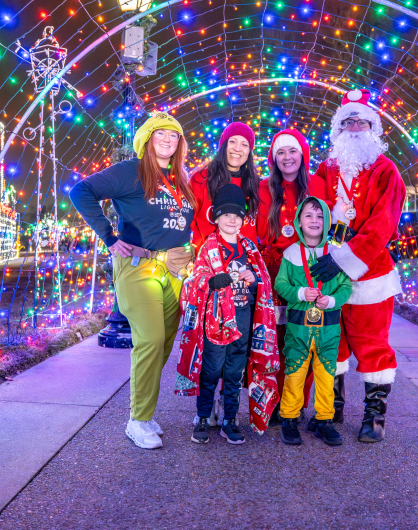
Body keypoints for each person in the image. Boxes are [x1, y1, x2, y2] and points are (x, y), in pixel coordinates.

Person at [69, 112, 197, 450]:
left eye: (174, 135)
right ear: (147, 138)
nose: (168, 140)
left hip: (175, 269)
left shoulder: (181, 178)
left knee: (164, 342)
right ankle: (136, 420)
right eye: (161, 134)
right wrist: (109, 237)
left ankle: (147, 412)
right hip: (138, 264)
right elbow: (81, 191)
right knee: (151, 340)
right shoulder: (131, 171)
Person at [310, 89, 407, 443]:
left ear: (373, 128)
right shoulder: (328, 167)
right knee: (331, 342)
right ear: (338, 129)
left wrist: (344, 259)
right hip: (329, 272)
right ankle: (331, 405)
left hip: (371, 274)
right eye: (347, 122)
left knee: (371, 344)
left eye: (360, 122)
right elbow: (311, 210)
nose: (354, 127)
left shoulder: (387, 171)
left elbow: (383, 225)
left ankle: (374, 416)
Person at [175, 184, 279, 443]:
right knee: (211, 370)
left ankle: (230, 419)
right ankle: (202, 417)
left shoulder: (250, 249)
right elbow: (195, 278)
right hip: (216, 320)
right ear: (216, 217)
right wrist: (212, 281)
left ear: (243, 219)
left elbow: (263, 282)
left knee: (235, 372)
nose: (232, 219)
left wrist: (253, 279)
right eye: (226, 214)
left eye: (237, 215)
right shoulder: (208, 247)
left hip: (243, 319)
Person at [257, 129, 329, 424]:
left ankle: (295, 402)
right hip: (273, 273)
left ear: (303, 154)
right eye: (281, 153)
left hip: (309, 272)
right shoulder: (263, 188)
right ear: (274, 158)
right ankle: (271, 400)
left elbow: (335, 223)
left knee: (305, 339)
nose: (287, 158)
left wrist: (332, 261)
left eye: (293, 151)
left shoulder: (321, 186)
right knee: (274, 341)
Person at [275, 197, 352, 446]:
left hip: (328, 329)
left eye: (320, 216)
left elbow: (345, 287)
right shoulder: (290, 253)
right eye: (308, 215)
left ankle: (324, 420)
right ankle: (289, 417)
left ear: (328, 221)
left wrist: (331, 300)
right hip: (298, 327)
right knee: (295, 373)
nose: (314, 220)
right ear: (298, 221)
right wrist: (299, 293)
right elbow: (280, 284)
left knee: (326, 375)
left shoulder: (336, 254)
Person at [189, 122, 262, 250]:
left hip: (246, 266)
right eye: (232, 141)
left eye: (244, 144)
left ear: (249, 151)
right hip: (208, 263)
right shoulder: (201, 180)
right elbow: (187, 224)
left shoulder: (256, 184)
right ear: (223, 145)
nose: (237, 148)